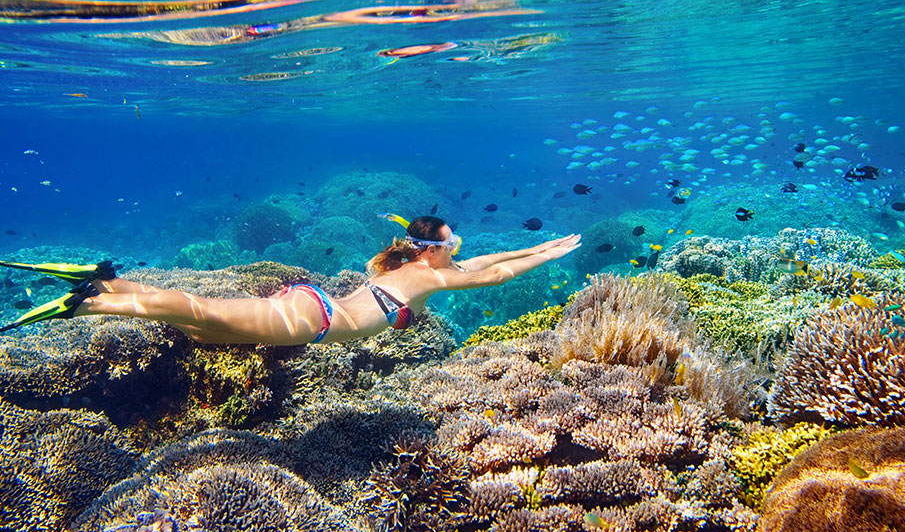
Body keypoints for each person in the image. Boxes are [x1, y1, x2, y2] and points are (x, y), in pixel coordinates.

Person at [0, 215, 580, 346]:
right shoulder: (429, 281)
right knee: (199, 310)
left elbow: (492, 260)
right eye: (452, 241)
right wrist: (545, 261)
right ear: (433, 251)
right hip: (313, 318)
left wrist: (542, 245)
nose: (461, 247)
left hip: (309, 305)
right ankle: (88, 301)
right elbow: (495, 275)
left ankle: (106, 284)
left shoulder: (415, 268)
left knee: (207, 332)